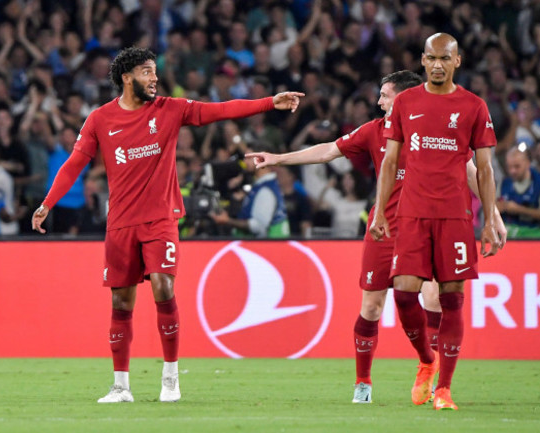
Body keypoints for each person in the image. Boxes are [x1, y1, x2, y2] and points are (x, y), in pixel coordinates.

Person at [31, 47, 304, 403]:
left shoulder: (170, 110)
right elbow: (73, 164)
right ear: (127, 77)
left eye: (155, 71)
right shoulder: (100, 119)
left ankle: (171, 378)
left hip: (160, 219)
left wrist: (268, 103)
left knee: (163, 286)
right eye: (146, 72)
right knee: (122, 302)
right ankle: (120, 386)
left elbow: (218, 111)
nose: (154, 78)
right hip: (120, 224)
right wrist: (47, 203)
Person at [247, 70, 506, 405]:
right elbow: (329, 150)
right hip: (383, 228)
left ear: (405, 97)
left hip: (426, 226)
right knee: (371, 306)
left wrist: (493, 213)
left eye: (384, 95)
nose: (379, 101)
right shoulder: (375, 130)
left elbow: (471, 171)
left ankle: (432, 371)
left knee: (432, 298)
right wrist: (279, 159)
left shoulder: (436, 128)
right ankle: (364, 382)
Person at [370, 33, 502, 411]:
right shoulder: (406, 102)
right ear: (423, 61)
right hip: (411, 213)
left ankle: (443, 389)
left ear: (457, 61)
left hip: (455, 215)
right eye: (431, 58)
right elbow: (390, 162)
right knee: (404, 293)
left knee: (451, 299)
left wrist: (489, 220)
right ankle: (427, 360)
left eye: (445, 58)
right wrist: (380, 210)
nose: (438, 64)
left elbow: (485, 170)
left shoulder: (474, 106)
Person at [210, 143, 291, 238]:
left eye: (248, 158)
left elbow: (258, 226)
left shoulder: (266, 190)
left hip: (264, 250)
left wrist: (227, 220)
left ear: (261, 160)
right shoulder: (261, 186)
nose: (244, 162)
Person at [498, 145, 540, 238]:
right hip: (507, 237)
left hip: (534, 237)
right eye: (509, 167)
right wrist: (500, 206)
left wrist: (519, 209)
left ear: (528, 163)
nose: (512, 171)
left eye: (517, 166)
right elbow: (493, 205)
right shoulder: (503, 183)